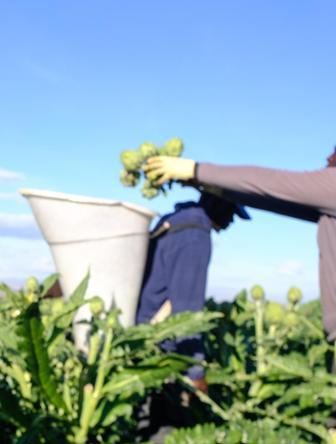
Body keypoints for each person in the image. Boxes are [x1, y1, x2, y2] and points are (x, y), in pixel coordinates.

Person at [145, 147, 336, 340]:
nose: (328, 157)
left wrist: (196, 170)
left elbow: (275, 184)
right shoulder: (193, 232)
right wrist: (204, 180)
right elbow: (275, 196)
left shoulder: (186, 227)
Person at [137, 192, 250, 390]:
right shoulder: (195, 237)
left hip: (139, 328)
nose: (231, 220)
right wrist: (195, 373)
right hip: (157, 343)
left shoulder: (175, 222)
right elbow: (187, 312)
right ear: (216, 202)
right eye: (231, 211)